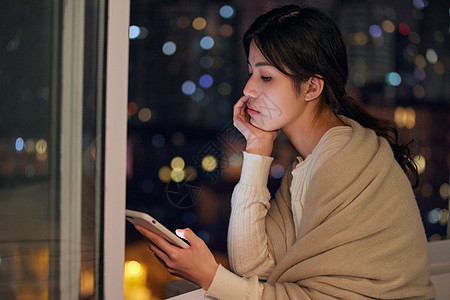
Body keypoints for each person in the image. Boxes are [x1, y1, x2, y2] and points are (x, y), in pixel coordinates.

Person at [136, 5, 435, 299]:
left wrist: (208, 275)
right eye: (251, 72)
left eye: (266, 77)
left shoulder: (341, 160)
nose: (249, 88)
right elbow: (253, 264)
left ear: (312, 88)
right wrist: (257, 147)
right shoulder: (309, 161)